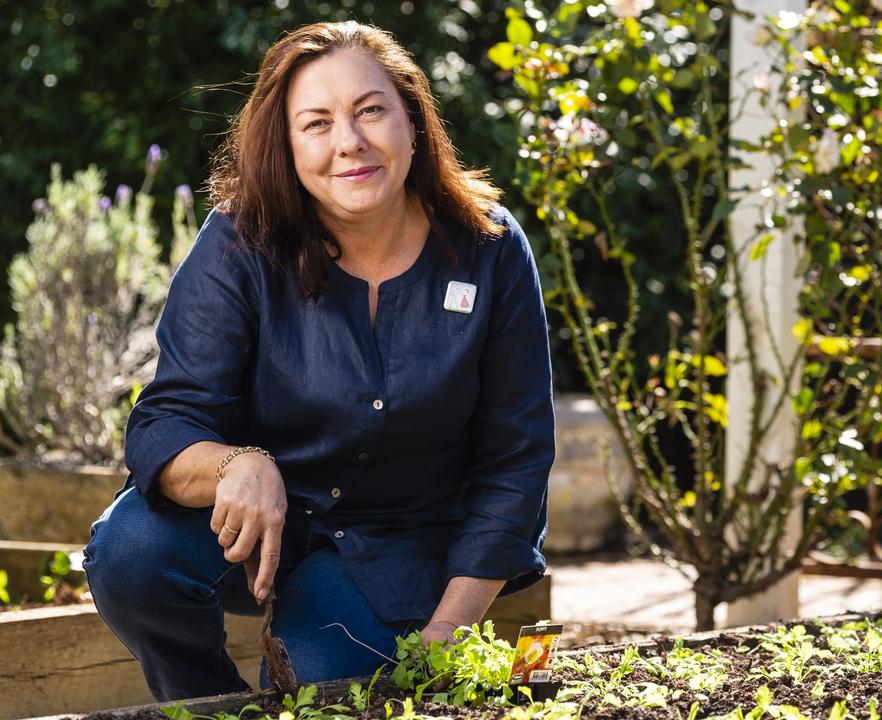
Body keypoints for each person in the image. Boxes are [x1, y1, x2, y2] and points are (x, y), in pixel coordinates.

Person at [83, 20, 554, 702]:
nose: (349, 143)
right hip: (246, 531)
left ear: (413, 122)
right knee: (131, 555)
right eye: (317, 123)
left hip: (398, 542)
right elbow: (165, 424)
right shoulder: (240, 241)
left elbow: (517, 457)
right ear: (287, 145)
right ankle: (204, 709)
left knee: (333, 686)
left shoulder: (489, 248)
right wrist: (238, 463)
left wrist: (451, 627)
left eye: (371, 112)